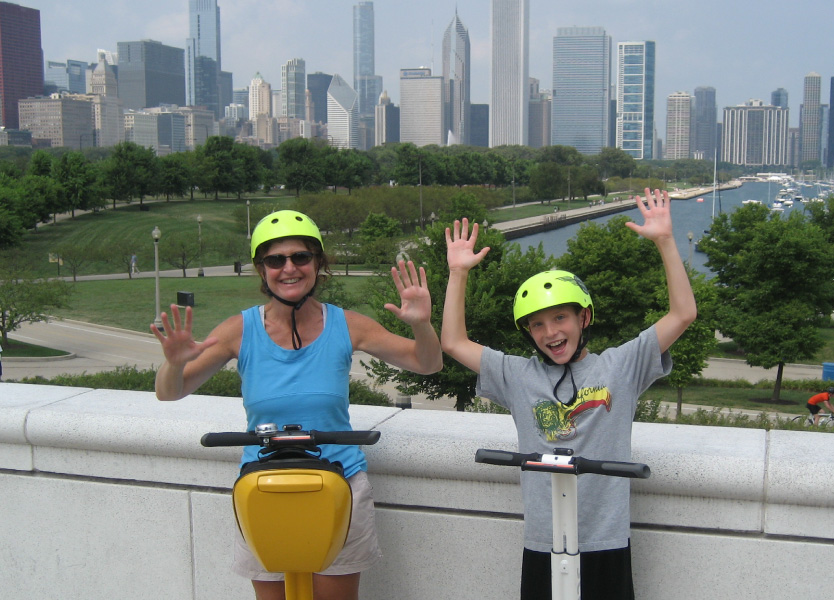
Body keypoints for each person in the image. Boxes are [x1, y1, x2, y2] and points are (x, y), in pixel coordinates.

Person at [151, 209, 443, 600]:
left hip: (338, 479)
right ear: (261, 270)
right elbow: (171, 391)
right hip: (263, 484)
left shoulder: (347, 324)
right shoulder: (239, 330)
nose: (289, 268)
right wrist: (173, 362)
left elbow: (427, 363)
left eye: (301, 257)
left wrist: (421, 324)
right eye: (275, 260)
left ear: (318, 264)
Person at [441, 189, 697, 600]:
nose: (550, 333)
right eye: (537, 324)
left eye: (560, 317)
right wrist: (458, 273)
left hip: (605, 538)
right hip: (544, 538)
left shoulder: (620, 366)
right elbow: (453, 342)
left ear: (585, 317)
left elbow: (683, 314)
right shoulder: (517, 375)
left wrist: (666, 241)